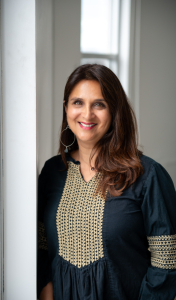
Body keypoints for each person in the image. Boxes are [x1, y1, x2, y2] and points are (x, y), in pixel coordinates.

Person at [37, 64, 176, 300]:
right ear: (66, 108)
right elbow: (41, 246)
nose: (87, 114)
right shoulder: (52, 171)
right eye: (78, 102)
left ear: (114, 111)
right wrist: (45, 288)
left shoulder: (148, 175)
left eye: (99, 104)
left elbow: (167, 261)